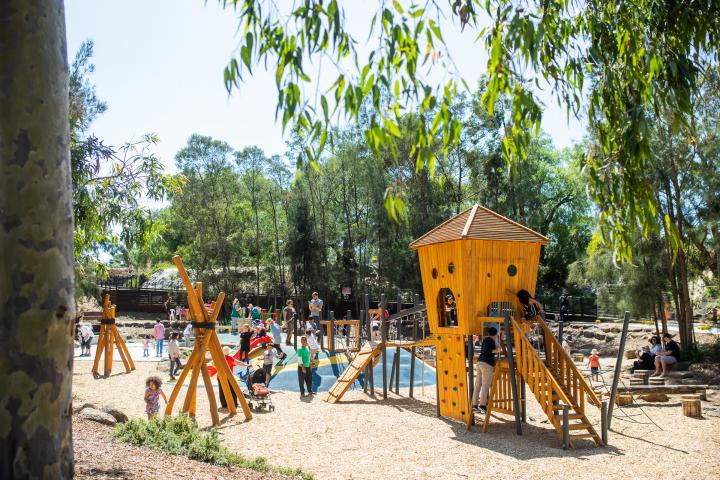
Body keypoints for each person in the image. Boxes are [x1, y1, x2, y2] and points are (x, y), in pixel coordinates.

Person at [471, 326, 501, 414]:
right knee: (485, 385)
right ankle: (482, 405)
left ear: (488, 333)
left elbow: (483, 350)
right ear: (495, 334)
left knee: (478, 385)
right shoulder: (491, 341)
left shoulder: (485, 340)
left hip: (479, 362)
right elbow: (488, 351)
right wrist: (497, 350)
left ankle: (474, 405)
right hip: (487, 364)